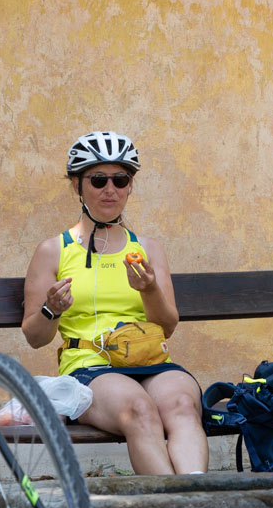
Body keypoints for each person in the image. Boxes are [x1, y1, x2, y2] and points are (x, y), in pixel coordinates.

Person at [21, 131, 206, 475]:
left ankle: (195, 498)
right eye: (98, 180)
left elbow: (167, 326)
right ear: (77, 185)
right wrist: (52, 310)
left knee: (182, 405)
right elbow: (34, 336)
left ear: (130, 186)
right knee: (139, 409)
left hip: (150, 360)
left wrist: (149, 289)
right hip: (89, 365)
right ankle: (179, 504)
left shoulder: (148, 249)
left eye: (120, 180)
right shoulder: (53, 250)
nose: (111, 189)